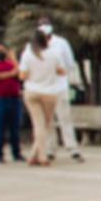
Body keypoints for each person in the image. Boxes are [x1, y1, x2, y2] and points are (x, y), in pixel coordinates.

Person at [37, 18, 83, 162]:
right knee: (47, 121)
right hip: (44, 88)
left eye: (46, 25)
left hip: (59, 87)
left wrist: (59, 73)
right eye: (41, 25)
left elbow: (70, 63)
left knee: (65, 118)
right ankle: (50, 149)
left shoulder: (61, 43)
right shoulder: (37, 45)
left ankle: (73, 149)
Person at [19, 30, 65, 166]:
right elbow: (62, 71)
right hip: (49, 92)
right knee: (45, 125)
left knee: (39, 124)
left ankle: (34, 155)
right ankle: (42, 156)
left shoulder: (27, 54)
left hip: (32, 91)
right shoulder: (54, 54)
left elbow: (22, 75)